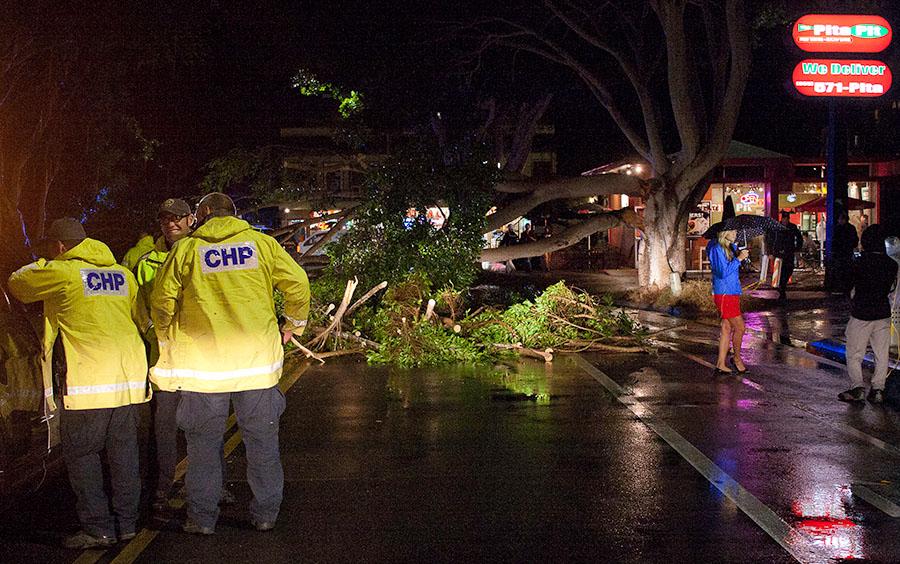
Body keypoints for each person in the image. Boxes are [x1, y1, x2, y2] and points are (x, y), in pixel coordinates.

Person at [150, 193, 310, 535]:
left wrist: (166, 338)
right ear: (234, 215)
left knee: (203, 448)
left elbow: (162, 300)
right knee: (262, 444)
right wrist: (292, 324)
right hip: (256, 367)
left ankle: (203, 519)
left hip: (204, 372)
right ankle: (266, 513)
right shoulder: (260, 244)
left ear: (203, 216)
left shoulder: (186, 251)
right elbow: (297, 283)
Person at [7, 218, 149, 548]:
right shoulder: (122, 275)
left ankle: (97, 528)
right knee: (124, 455)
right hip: (127, 380)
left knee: (83, 457)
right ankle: (127, 524)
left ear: (59, 246)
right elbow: (141, 318)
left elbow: (18, 283)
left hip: (88, 383)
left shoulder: (64, 271)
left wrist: (44, 261)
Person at [134, 198, 213, 512]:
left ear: (191, 219)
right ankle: (162, 491)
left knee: (205, 430)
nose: (172, 224)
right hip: (165, 362)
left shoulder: (202, 254)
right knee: (164, 432)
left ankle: (211, 488)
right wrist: (156, 331)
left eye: (178, 218)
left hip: (201, 361)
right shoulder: (145, 263)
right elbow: (138, 307)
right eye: (166, 219)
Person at [838, 225, 898, 404]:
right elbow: (892, 289)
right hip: (882, 313)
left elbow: (847, 285)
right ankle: (878, 389)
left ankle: (857, 388)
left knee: (855, 353)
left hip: (861, 313)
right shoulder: (891, 264)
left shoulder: (859, 262)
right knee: (881, 353)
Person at [707, 229, 749, 375]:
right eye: (732, 231)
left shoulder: (732, 247)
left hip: (733, 291)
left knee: (726, 327)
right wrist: (738, 259)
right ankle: (737, 359)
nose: (736, 233)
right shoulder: (716, 249)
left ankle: (721, 363)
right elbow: (722, 272)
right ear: (724, 233)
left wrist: (742, 256)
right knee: (740, 328)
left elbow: (736, 268)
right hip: (725, 293)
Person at [770, 211, 803, 302]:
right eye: (784, 219)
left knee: (789, 270)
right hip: (779, 253)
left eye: (786, 219)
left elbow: (799, 238)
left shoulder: (792, 227)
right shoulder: (777, 227)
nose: (785, 220)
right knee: (780, 271)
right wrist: (771, 252)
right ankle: (782, 288)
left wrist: (797, 248)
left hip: (789, 252)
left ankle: (782, 286)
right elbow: (771, 239)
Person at [831, 210, 859, 295]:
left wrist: (834, 251)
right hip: (847, 253)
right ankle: (847, 288)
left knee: (840, 270)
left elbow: (834, 241)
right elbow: (855, 240)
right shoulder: (851, 228)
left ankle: (841, 288)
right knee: (847, 271)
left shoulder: (838, 229)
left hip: (840, 253)